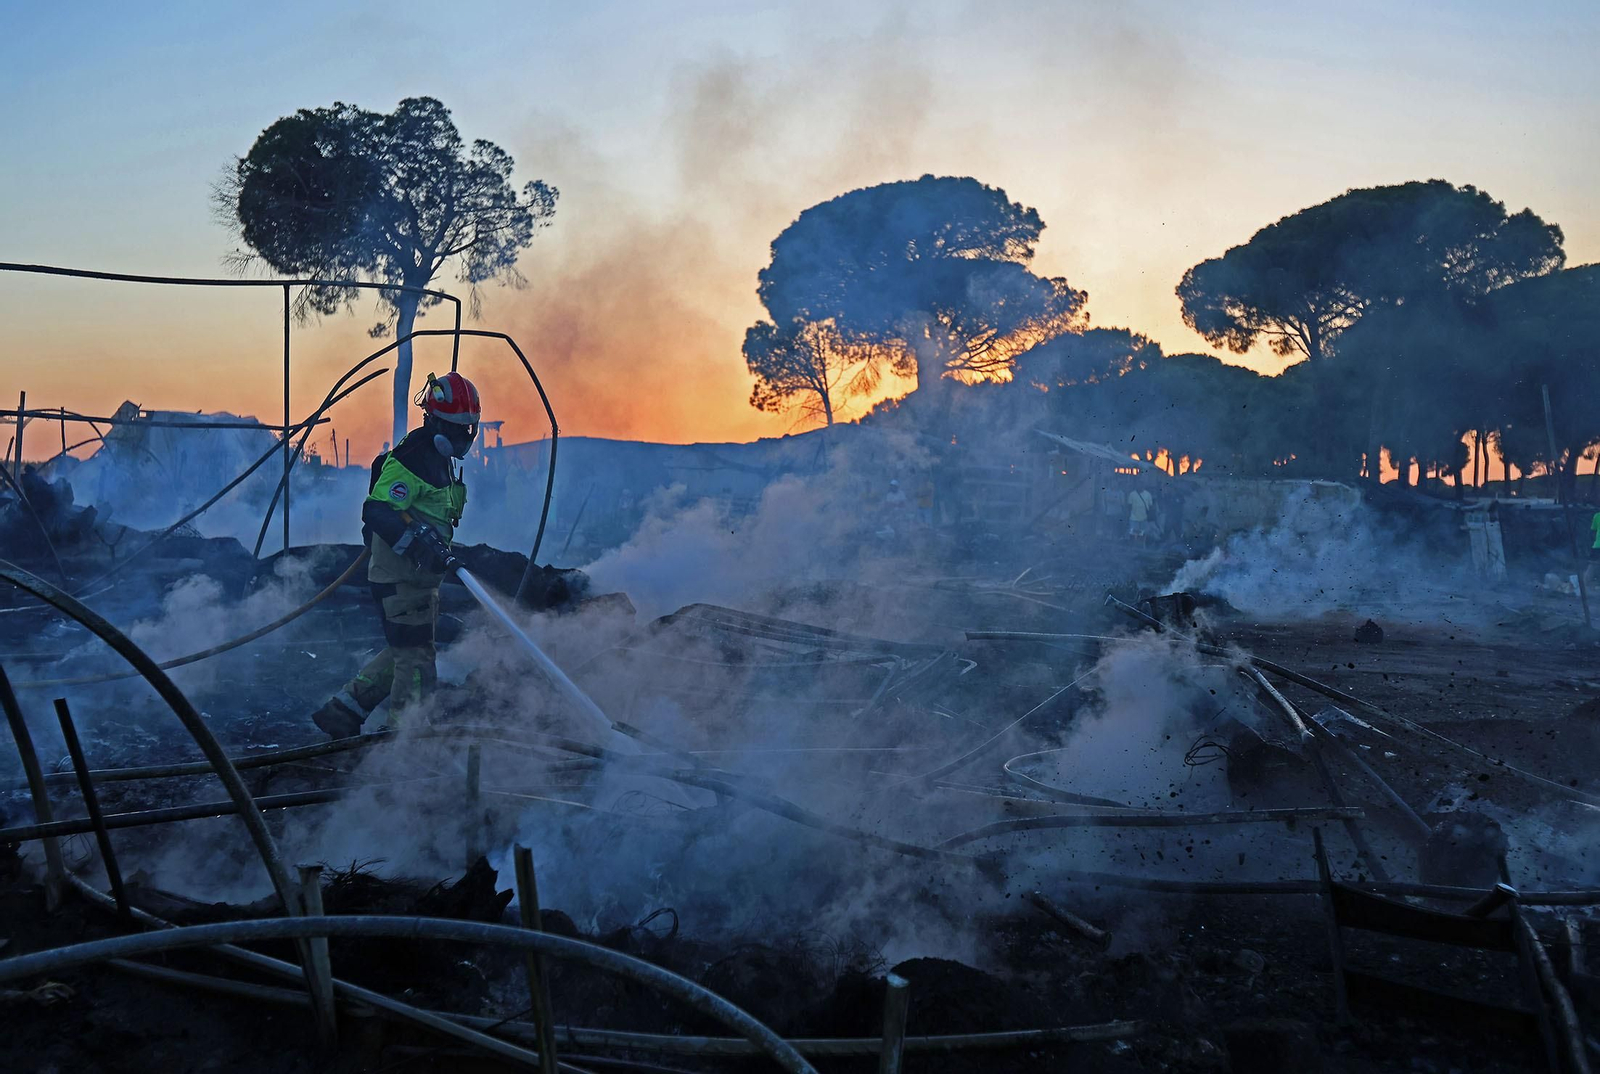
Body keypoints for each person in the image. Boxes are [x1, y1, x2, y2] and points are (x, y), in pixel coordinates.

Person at [309, 371, 480, 738]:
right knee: (417, 661)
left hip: (418, 580)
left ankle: (343, 710)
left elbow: (429, 513)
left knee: (407, 649)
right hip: (400, 579)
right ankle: (406, 741)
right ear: (433, 421)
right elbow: (378, 511)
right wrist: (420, 546)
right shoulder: (413, 457)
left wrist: (435, 549)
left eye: (467, 429)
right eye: (453, 428)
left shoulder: (438, 457)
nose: (461, 438)